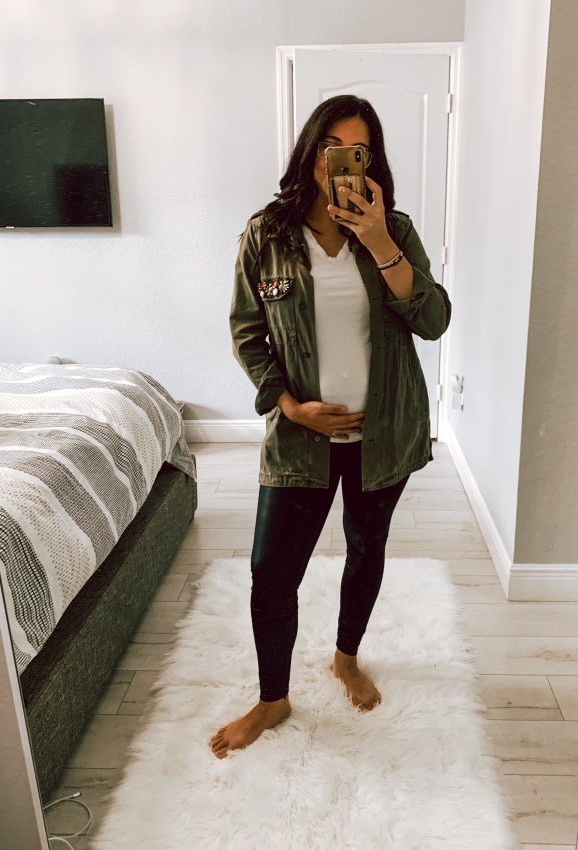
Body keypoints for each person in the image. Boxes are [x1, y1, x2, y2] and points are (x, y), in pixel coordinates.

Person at [211, 94, 451, 759]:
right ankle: (273, 698)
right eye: (332, 147)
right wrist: (290, 406)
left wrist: (379, 242)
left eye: (359, 152)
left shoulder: (392, 231)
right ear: (311, 151)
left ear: (372, 164)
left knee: (366, 549)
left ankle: (346, 658)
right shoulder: (267, 234)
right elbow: (248, 333)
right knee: (270, 572)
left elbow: (434, 321)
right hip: (301, 438)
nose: (342, 161)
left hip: (384, 435)